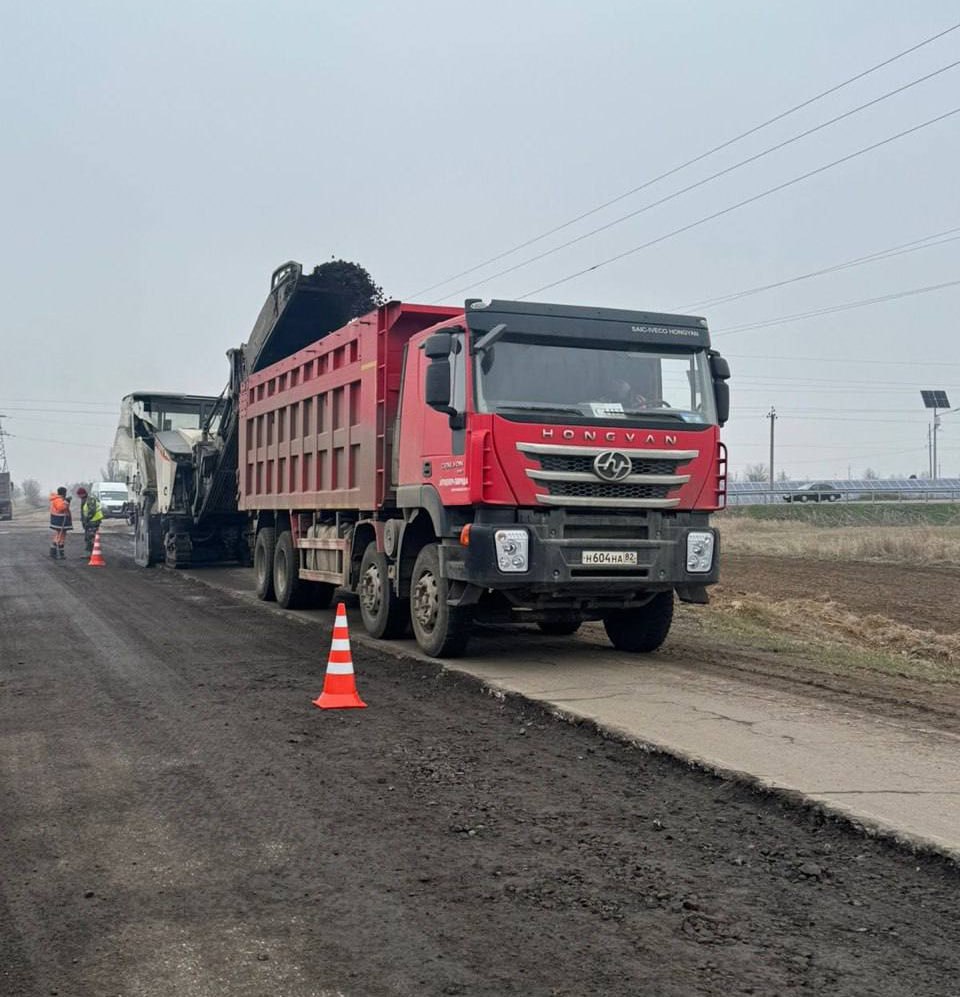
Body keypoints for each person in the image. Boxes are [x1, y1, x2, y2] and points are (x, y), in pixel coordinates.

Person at [75, 486, 103, 552]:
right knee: (88, 537)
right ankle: (89, 552)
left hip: (93, 521)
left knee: (90, 537)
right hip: (91, 521)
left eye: (79, 494)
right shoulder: (85, 499)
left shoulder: (89, 500)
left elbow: (91, 511)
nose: (78, 496)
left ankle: (92, 553)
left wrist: (86, 520)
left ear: (83, 494)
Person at [48, 486, 73, 559]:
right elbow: (60, 508)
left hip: (59, 520)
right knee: (60, 536)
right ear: (63, 493)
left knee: (61, 535)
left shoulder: (57, 499)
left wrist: (66, 501)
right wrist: (67, 501)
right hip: (60, 520)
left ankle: (56, 552)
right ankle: (56, 552)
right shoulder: (58, 500)